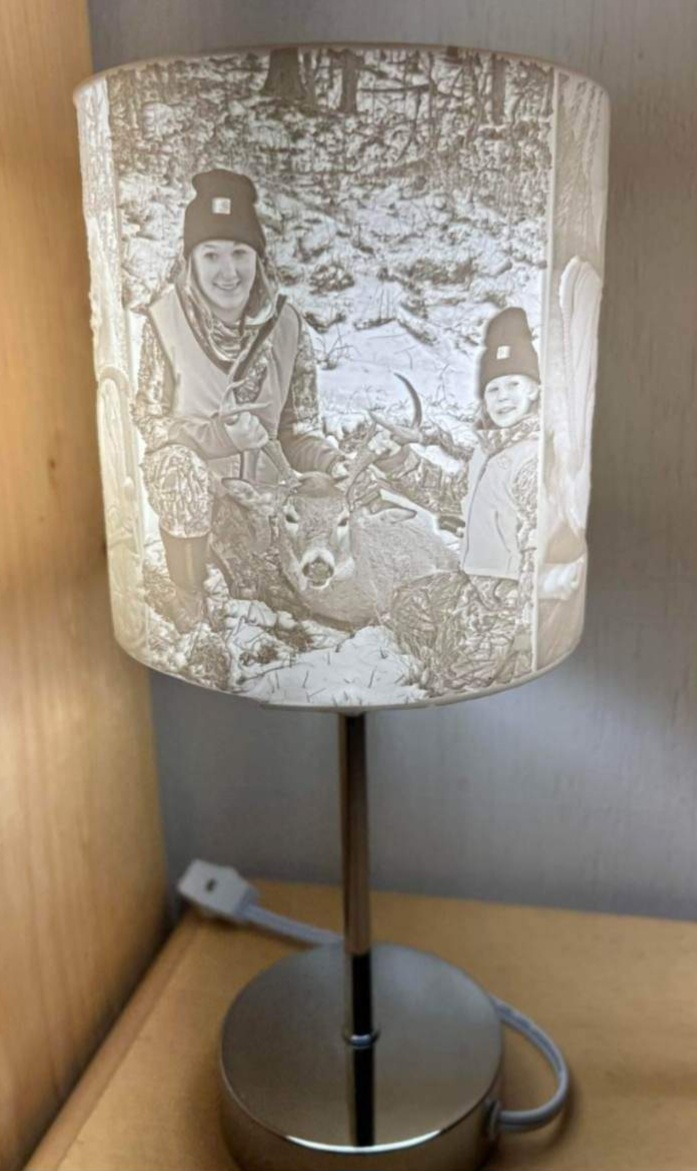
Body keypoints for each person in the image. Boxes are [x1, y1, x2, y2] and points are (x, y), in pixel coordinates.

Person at [132, 169, 344, 631]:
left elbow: (297, 431)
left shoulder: (288, 325)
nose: (228, 272)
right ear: (190, 260)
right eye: (211, 254)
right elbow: (149, 421)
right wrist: (220, 438)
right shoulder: (164, 322)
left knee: (312, 594)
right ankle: (189, 595)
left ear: (258, 258)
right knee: (177, 466)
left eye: (240, 253)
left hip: (266, 498)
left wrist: (332, 463)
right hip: (199, 495)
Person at [374, 307, 541, 692]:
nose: (503, 397)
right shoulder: (488, 451)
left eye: (513, 384)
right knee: (405, 605)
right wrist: (397, 461)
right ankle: (465, 647)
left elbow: (540, 547)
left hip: (506, 604)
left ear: (534, 389)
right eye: (493, 389)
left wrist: (527, 630)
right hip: (473, 585)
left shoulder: (533, 459)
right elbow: (450, 496)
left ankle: (494, 659)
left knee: (446, 690)